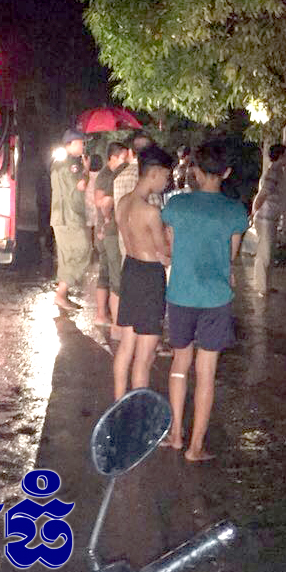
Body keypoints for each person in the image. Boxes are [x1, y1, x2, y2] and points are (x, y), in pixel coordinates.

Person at [159, 140, 248, 460]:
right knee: (206, 372)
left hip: (181, 294)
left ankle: (176, 434)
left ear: (195, 170)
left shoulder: (176, 206)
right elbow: (232, 254)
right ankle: (196, 447)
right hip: (215, 298)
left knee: (180, 364)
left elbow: (170, 246)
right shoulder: (234, 211)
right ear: (227, 172)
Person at [111, 145, 175, 399]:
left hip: (130, 269)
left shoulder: (123, 203)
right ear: (154, 173)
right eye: (166, 176)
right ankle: (137, 412)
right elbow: (165, 252)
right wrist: (171, 238)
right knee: (145, 357)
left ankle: (118, 403)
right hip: (149, 276)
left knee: (126, 347)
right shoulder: (151, 212)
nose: (167, 182)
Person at [94, 143, 132, 335]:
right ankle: (114, 322)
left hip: (105, 230)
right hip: (108, 231)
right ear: (113, 157)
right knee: (113, 275)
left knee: (107, 273)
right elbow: (101, 202)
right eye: (123, 157)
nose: (126, 161)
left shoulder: (110, 174)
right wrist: (108, 218)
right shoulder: (108, 175)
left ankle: (103, 315)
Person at [50, 129, 90, 311]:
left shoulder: (57, 163)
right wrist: (86, 169)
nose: (83, 146)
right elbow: (81, 185)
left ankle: (62, 294)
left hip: (60, 217)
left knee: (67, 256)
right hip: (70, 216)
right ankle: (61, 293)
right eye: (81, 142)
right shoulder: (73, 164)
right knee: (83, 250)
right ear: (71, 143)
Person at [250, 144, 286, 295]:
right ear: (280, 156)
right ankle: (261, 286)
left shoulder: (276, 171)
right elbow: (263, 193)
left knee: (269, 251)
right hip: (265, 217)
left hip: (271, 216)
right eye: (285, 155)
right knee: (265, 252)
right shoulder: (273, 172)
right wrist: (254, 211)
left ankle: (266, 285)